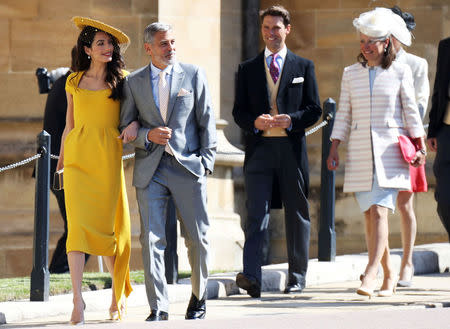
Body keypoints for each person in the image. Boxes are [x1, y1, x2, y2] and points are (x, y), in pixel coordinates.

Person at [120, 22, 216, 321]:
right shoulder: (133, 82)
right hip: (151, 169)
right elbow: (123, 128)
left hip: (188, 167)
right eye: (164, 43)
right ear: (148, 48)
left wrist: (206, 162)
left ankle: (199, 298)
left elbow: (207, 120)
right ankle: (158, 306)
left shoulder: (194, 74)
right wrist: (146, 135)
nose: (170, 48)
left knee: (197, 239)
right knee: (150, 239)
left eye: (173, 42)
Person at [327, 8, 426, 298]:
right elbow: (343, 114)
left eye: (372, 41)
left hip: (390, 152)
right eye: (362, 42)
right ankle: (390, 274)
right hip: (359, 152)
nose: (366, 46)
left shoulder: (401, 71)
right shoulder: (350, 74)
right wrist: (334, 146)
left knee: (381, 211)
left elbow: (411, 111)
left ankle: (370, 272)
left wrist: (419, 146)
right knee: (370, 216)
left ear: (386, 43)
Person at [232, 5, 322, 298]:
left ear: (288, 30)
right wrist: (254, 122)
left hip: (290, 150)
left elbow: (315, 109)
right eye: (266, 28)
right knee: (255, 214)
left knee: (297, 213)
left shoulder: (303, 66)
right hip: (259, 150)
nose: (271, 34)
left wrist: (292, 119)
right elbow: (239, 112)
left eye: (276, 28)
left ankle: (296, 277)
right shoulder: (247, 69)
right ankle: (252, 277)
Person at [56, 17, 136, 324]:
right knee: (76, 230)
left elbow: (135, 116)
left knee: (107, 232)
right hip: (77, 161)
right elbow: (69, 125)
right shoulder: (73, 81)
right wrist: (61, 162)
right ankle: (78, 301)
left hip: (106, 160)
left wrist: (134, 125)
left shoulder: (123, 80)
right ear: (87, 49)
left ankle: (116, 298)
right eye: (100, 43)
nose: (107, 48)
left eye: (110, 44)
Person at [34, 46, 92, 274]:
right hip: (62, 167)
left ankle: (60, 271)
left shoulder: (66, 82)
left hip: (60, 166)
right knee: (81, 226)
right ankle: (59, 271)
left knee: (80, 226)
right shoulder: (71, 86)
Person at [389, 6, 430, 288]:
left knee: (404, 204)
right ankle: (379, 266)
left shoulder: (416, 64)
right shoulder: (371, 62)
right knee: (376, 206)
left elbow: (421, 104)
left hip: (406, 140)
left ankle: (407, 263)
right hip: (377, 139)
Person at [427, 37, 450, 242]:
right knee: (444, 196)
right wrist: (433, 129)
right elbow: (439, 88)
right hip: (447, 129)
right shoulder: (446, 45)